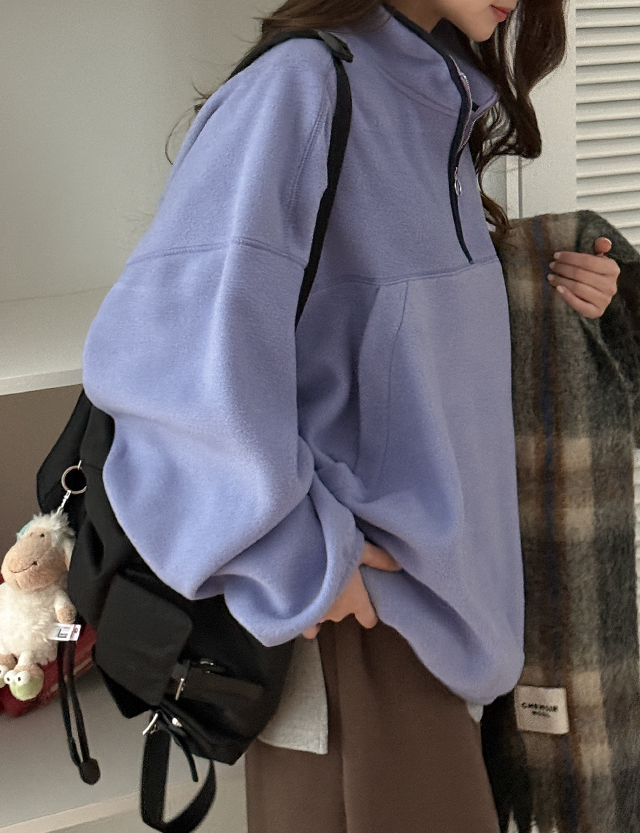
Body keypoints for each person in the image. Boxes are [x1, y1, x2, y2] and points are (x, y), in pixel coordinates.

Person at [81, 1, 619, 830]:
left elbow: (395, 345)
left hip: (442, 627)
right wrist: (302, 562)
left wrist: (565, 288)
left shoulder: (436, 98)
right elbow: (165, 362)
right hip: (359, 636)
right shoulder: (303, 88)